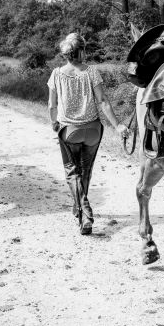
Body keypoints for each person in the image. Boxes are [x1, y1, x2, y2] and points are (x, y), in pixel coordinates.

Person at [48, 33, 130, 235]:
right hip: (93, 130)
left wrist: (54, 123)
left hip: (70, 131)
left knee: (72, 171)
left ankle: (84, 212)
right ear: (82, 51)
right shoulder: (92, 71)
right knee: (86, 170)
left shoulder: (56, 74)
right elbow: (103, 101)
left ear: (66, 53)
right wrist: (118, 125)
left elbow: (52, 105)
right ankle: (78, 206)